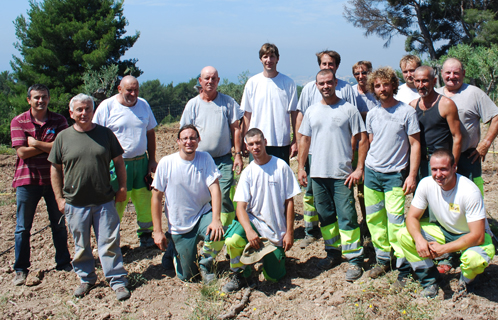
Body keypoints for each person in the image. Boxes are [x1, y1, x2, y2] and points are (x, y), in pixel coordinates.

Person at [49, 94, 130, 301]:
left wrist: (122, 187)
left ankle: (117, 280)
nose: (83, 113)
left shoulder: (105, 134)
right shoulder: (63, 138)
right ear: (71, 113)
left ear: (93, 111)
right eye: (79, 110)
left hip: (104, 201)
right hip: (75, 203)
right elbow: (56, 169)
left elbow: (119, 163)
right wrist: (59, 198)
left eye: (87, 109)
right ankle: (86, 278)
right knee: (81, 244)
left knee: (110, 243)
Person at [298, 69, 367, 281]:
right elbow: (304, 140)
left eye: (329, 82)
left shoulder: (349, 110)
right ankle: (333, 253)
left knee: (347, 216)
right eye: (321, 83)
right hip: (317, 174)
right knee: (326, 216)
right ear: (316, 85)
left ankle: (355, 259)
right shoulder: (311, 111)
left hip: (342, 174)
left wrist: (359, 168)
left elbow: (362, 139)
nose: (325, 86)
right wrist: (301, 167)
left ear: (336, 82)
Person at [397, 149, 495, 298]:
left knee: (473, 260)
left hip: (472, 236)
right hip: (445, 231)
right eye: (434, 169)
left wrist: (444, 249)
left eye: (443, 169)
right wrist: (419, 240)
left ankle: (467, 282)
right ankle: (430, 281)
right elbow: (411, 217)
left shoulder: (469, 191)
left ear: (454, 168)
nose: (438, 174)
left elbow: (478, 236)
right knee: (404, 235)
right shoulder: (426, 184)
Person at [294, 50, 358, 249]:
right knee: (319, 204)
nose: (327, 67)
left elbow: (357, 133)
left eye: (331, 64)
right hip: (316, 159)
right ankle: (328, 246)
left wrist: (354, 162)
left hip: (340, 161)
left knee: (345, 210)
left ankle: (353, 255)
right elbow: (303, 130)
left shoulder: (347, 95)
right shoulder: (309, 96)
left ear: (336, 72)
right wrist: (301, 165)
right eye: (324, 63)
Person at [223, 128, 301, 292]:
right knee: (231, 240)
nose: (255, 147)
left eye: (258, 142)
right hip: (254, 223)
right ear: (247, 146)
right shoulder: (248, 173)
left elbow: (289, 202)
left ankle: (274, 257)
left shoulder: (281, 166)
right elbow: (240, 208)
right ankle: (241, 273)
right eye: (251, 144)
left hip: (275, 230)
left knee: (273, 277)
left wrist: (289, 232)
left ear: (265, 142)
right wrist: (250, 231)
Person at [10, 84, 72, 286]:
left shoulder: (59, 120)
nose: (40, 101)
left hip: (55, 180)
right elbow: (21, 153)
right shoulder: (18, 121)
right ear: (29, 99)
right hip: (27, 180)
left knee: (59, 224)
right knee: (22, 227)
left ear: (49, 98)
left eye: (44, 97)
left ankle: (63, 262)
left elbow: (62, 148)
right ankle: (20, 269)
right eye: (36, 97)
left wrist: (35, 143)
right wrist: (49, 147)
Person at [363, 67, 420, 280]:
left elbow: (415, 145)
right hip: (372, 173)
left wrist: (412, 175)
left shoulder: (406, 112)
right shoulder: (372, 114)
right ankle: (382, 260)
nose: (382, 88)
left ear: (393, 85)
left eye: (386, 84)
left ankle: (403, 265)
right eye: (377, 85)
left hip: (394, 175)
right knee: (375, 218)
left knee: (395, 220)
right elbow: (370, 143)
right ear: (373, 89)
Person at [151, 125, 225, 283]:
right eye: (185, 138)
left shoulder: (205, 158)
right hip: (179, 224)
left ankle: (206, 264)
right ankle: (174, 249)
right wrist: (157, 231)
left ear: (198, 141)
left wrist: (216, 219)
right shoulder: (166, 163)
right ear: (178, 141)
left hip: (202, 214)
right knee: (189, 277)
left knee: (218, 233)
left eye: (193, 138)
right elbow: (156, 198)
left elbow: (215, 189)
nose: (189, 141)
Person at [93, 75, 158, 247]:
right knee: (118, 200)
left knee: (144, 199)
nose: (133, 93)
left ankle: (146, 234)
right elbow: (95, 134)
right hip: (117, 163)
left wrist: (152, 159)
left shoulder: (143, 105)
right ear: (119, 89)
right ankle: (111, 238)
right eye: (129, 89)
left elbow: (150, 133)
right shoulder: (107, 106)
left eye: (136, 89)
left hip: (141, 162)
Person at [180, 66, 244, 227]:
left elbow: (236, 129)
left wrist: (237, 154)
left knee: (223, 194)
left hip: (223, 159)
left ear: (218, 81)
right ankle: (203, 225)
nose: (210, 81)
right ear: (200, 81)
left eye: (213, 78)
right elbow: (184, 133)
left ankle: (226, 227)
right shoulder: (192, 105)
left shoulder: (227, 102)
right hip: (199, 159)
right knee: (200, 194)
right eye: (207, 78)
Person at [436, 58, 498, 196]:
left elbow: (496, 117)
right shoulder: (435, 94)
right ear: (441, 73)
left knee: (471, 196)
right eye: (448, 72)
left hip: (468, 157)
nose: (452, 76)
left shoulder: (474, 93)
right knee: (443, 198)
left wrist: (485, 144)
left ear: (463, 73)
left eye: (456, 73)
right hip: (440, 158)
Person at [241, 43, 298, 164]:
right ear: (260, 59)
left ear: (278, 58)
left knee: (280, 179)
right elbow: (247, 115)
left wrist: (295, 141)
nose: (269, 60)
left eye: (272, 56)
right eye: (265, 57)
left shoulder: (288, 83)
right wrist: (244, 140)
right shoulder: (252, 83)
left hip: (281, 142)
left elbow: (294, 115)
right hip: (256, 142)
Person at [410, 65, 462, 178]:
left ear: (434, 81)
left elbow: (457, 137)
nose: (421, 85)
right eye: (417, 81)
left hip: (441, 163)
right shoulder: (413, 106)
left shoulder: (446, 105)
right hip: (420, 162)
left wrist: (452, 165)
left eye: (425, 81)